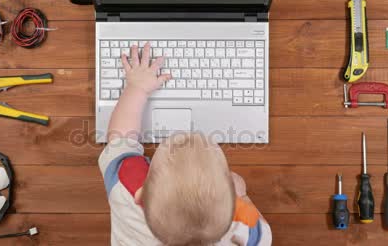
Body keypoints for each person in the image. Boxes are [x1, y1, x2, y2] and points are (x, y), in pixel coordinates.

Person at [98, 43, 272, 245]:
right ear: (232, 205)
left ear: (141, 195)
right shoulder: (240, 232)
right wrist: (242, 195)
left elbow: (120, 139)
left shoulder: (127, 191)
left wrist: (137, 87)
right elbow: (264, 234)